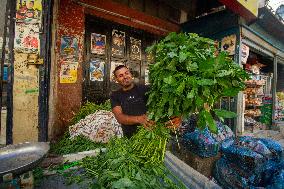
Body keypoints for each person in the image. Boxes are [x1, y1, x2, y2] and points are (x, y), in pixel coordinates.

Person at [110, 65, 180, 138]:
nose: (125, 76)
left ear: (130, 74)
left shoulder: (146, 89)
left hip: (153, 133)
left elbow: (164, 104)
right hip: (131, 137)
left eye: (126, 73)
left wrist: (177, 116)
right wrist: (139, 119)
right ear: (116, 79)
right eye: (121, 76)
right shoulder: (115, 96)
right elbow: (119, 117)